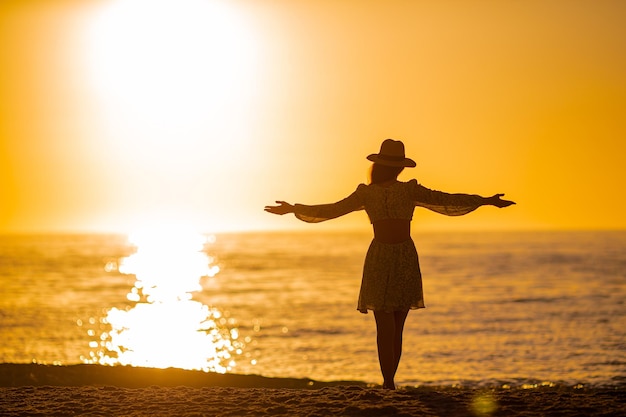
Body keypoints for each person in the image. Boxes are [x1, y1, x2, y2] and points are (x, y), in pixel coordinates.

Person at [264, 139, 515, 390]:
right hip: (381, 258)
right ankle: (388, 382)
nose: (399, 170)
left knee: (396, 327)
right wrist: (294, 209)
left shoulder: (409, 190)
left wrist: (485, 200)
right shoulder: (367, 193)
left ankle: (389, 382)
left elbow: (445, 199)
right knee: (386, 327)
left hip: (404, 256)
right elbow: (333, 209)